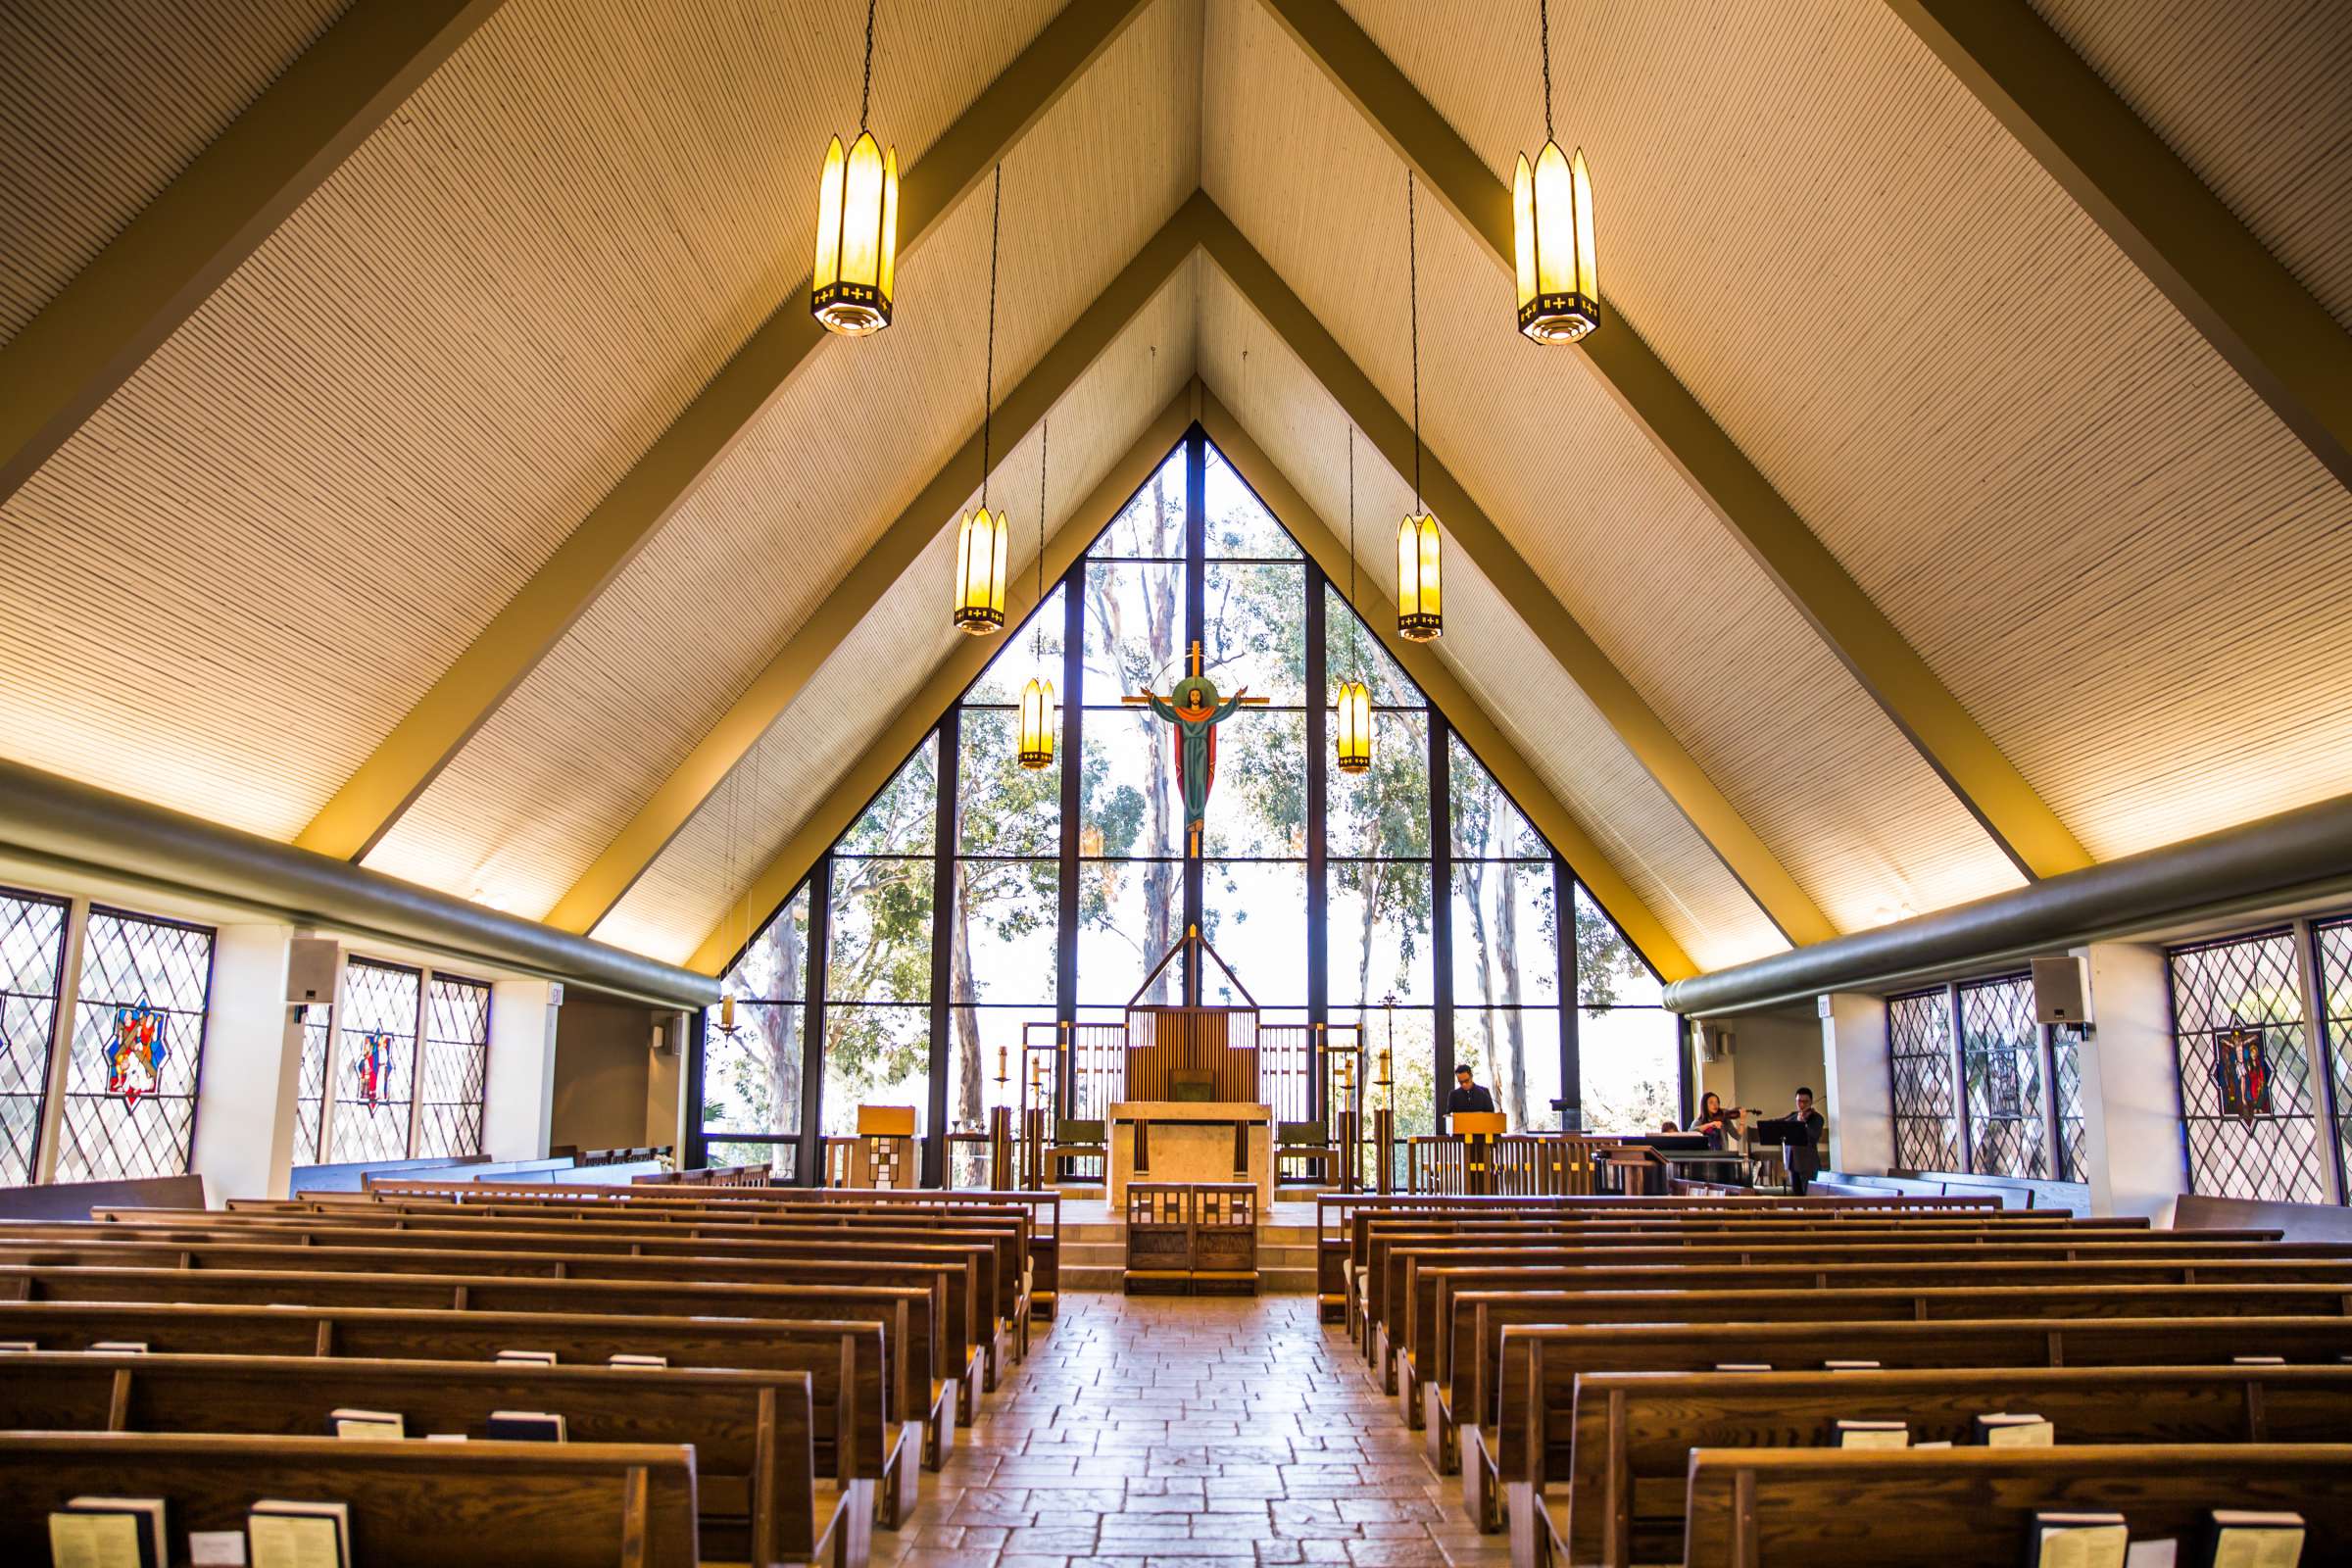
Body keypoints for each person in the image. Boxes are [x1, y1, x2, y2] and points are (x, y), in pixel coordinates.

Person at [1779, 1086, 1826, 1196]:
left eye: (1805, 1102)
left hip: (1808, 1165)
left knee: (1809, 1199)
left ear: (1811, 1102)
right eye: (1799, 1101)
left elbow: (1814, 1136)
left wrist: (1803, 1123)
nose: (1802, 1105)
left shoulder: (1817, 1118)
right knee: (1797, 1197)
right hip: (1792, 1163)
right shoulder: (1793, 1115)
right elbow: (1781, 1124)